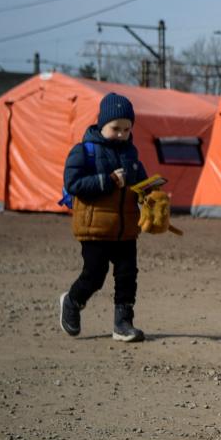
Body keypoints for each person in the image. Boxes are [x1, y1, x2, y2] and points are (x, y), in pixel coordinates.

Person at [58, 92, 149, 343]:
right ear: (101, 124)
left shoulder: (132, 154)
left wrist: (152, 194)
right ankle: (73, 301)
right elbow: (73, 183)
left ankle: (123, 323)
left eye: (126, 129)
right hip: (94, 228)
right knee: (95, 274)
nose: (121, 134)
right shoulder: (84, 150)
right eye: (115, 128)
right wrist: (107, 182)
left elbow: (142, 182)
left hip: (126, 228)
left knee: (127, 275)